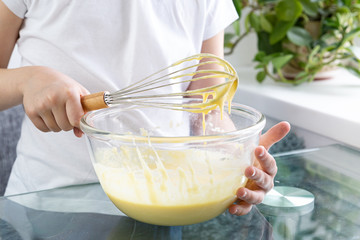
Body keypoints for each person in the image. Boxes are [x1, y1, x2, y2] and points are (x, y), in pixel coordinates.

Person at [0, 0, 290, 217]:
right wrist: (29, 80)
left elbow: (209, 113)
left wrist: (239, 162)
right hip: (47, 207)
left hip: (168, 205)